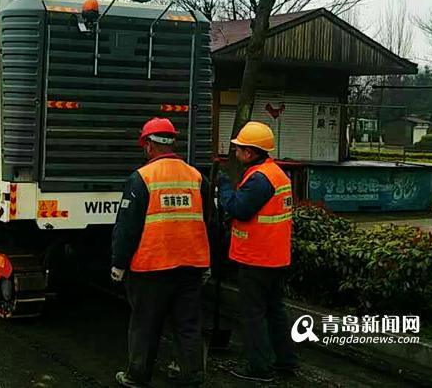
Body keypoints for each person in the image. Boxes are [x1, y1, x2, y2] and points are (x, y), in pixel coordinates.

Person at [112, 117, 213, 388]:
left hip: (152, 268)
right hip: (192, 266)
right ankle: (193, 376)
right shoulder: (196, 177)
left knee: (145, 325)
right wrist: (207, 264)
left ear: (148, 146)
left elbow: (127, 227)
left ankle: (137, 376)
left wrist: (119, 264)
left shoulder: (141, 179)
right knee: (188, 325)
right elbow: (208, 222)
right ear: (173, 143)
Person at [218, 121, 297, 382]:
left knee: (253, 314)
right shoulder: (276, 173)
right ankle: (286, 362)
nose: (236, 153)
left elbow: (238, 209)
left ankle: (259, 368)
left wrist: (224, 185)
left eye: (239, 149)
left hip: (257, 259)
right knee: (275, 311)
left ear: (251, 153)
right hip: (276, 257)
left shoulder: (260, 180)